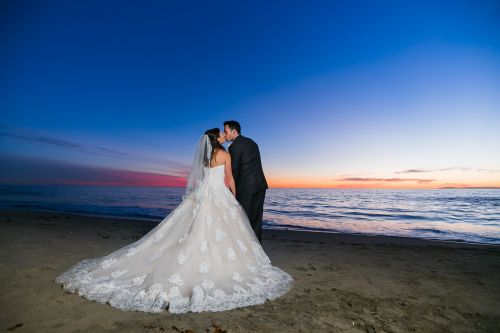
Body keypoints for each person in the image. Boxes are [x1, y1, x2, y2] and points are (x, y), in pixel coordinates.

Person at [54, 128, 293, 313]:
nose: (223, 135)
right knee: (219, 232)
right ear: (216, 139)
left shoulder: (205, 158)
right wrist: (235, 197)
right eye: (220, 134)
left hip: (203, 196)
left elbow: (201, 180)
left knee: (193, 230)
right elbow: (229, 178)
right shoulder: (225, 154)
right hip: (218, 197)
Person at [223, 120, 268, 244]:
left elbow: (235, 170)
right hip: (260, 185)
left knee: (244, 220)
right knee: (256, 220)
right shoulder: (252, 142)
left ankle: (248, 250)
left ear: (234, 131)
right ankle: (258, 247)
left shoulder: (234, 147)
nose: (224, 134)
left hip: (246, 188)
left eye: (226, 132)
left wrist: (232, 191)